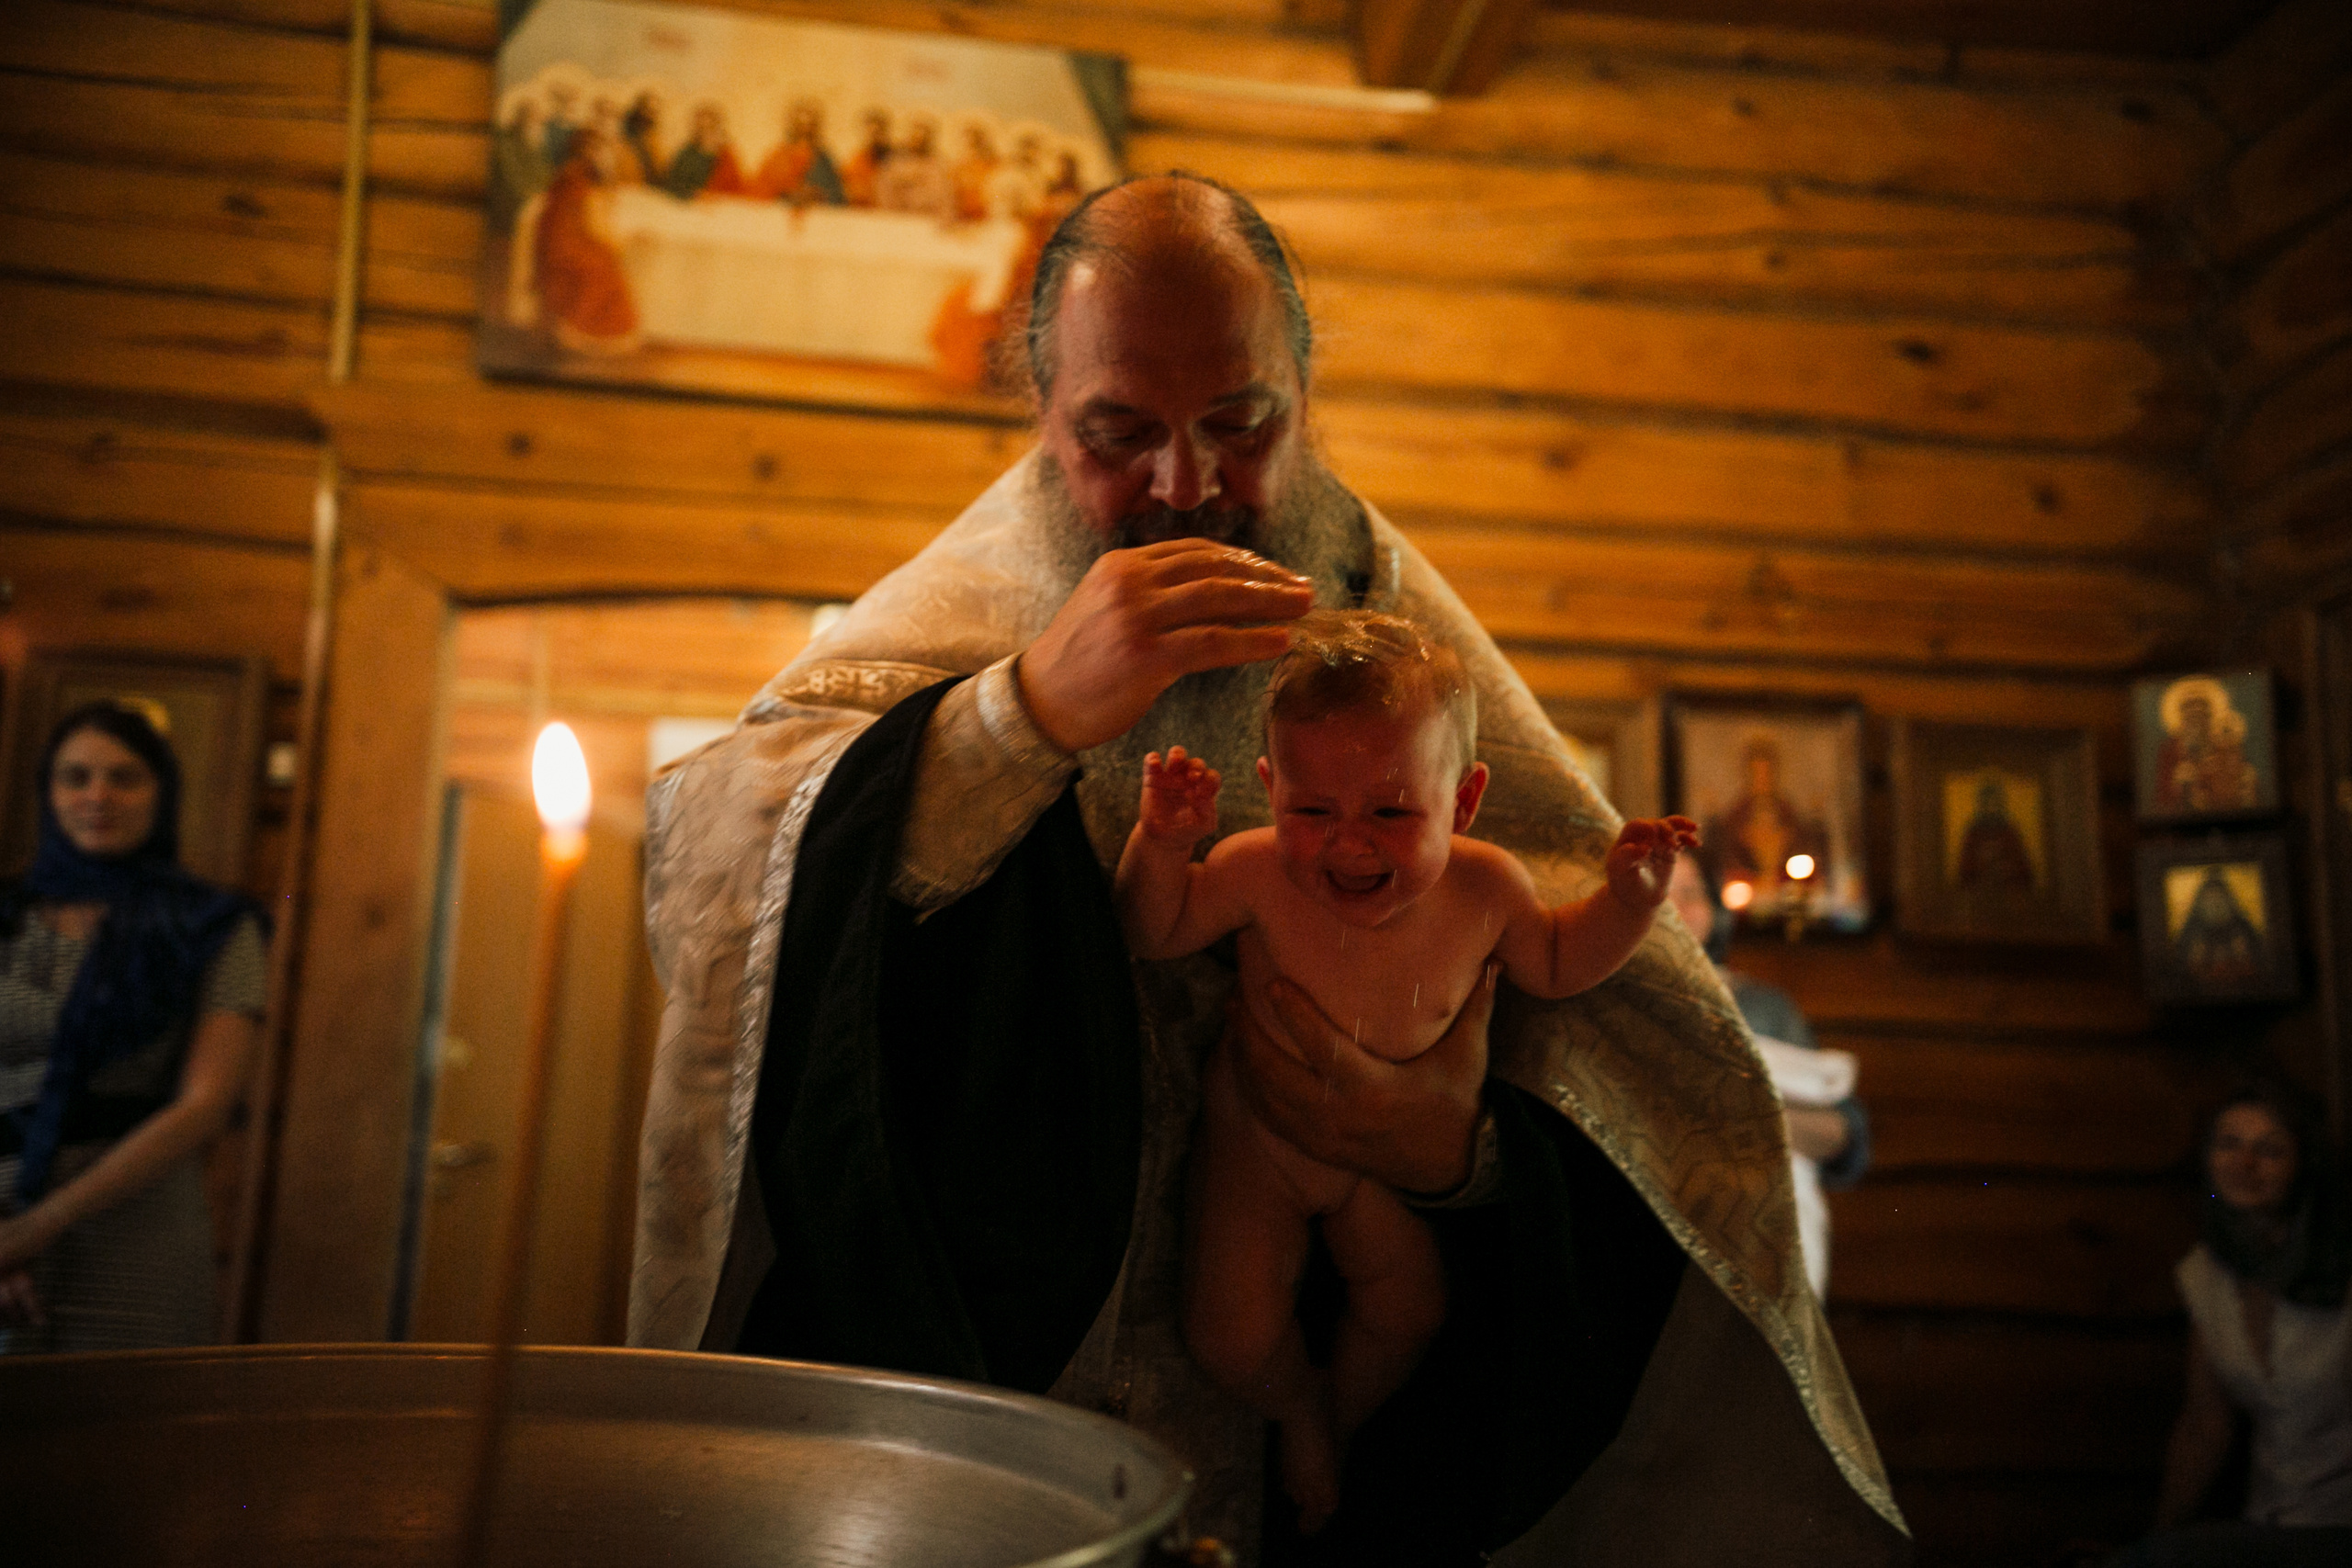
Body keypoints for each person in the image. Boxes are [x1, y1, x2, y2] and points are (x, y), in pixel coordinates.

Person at [629, 172, 1904, 1564]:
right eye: (1119, 433)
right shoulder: (960, 612)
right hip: (996, 1380)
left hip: (1311, 1423)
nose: (1185, 486)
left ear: (1304, 394)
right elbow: (715, 864)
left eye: (1242, 425)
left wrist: (1455, 1153)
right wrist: (1021, 714)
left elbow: (1631, 1051)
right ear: (1042, 412)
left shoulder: (1398, 636)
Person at [1116, 609, 1700, 1531]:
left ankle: (1335, 1417)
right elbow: (1154, 931)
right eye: (1312, 811)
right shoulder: (1252, 870)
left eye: (1390, 813)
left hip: (1382, 1170)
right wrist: (1162, 843)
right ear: (1269, 788)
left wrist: (1628, 902)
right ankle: (1293, 1405)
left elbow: (1558, 962)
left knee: (1410, 1313)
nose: (1350, 844)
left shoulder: (1487, 889)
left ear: (1462, 803)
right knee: (1227, 1336)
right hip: (1258, 1149)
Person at [0, 703, 267, 1352]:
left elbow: (206, 1104)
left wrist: (35, 1229)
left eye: (124, 777)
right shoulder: (4, 913)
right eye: (76, 776)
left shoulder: (216, 925)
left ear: (161, 791)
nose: (98, 795)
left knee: (126, 1407)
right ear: (48, 791)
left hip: (133, 1223)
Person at [2111, 1084, 2352, 1565]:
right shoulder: (2210, 1276)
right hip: (2270, 1520)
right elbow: (2205, 1423)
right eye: (2229, 1144)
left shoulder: (2343, 1265)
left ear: (2303, 1164)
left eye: (2270, 1150)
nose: (2244, 1164)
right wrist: (2155, 1540)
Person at [1665, 855, 1869, 1299]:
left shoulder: (1763, 1007)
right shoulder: (1599, 1001)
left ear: (1714, 910)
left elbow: (1848, 1137)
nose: (1675, 908)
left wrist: (1742, 1109)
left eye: (1690, 892)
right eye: (1659, 892)